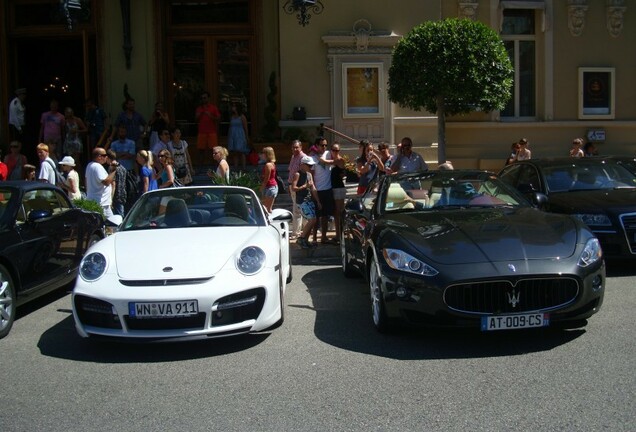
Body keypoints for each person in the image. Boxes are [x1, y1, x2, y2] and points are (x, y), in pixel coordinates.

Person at [291, 156, 322, 249]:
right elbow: (293, 188)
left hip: (309, 200)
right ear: (303, 165)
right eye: (309, 165)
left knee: (313, 220)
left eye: (311, 165)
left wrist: (318, 201)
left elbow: (313, 188)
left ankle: (305, 240)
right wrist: (305, 186)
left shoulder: (309, 175)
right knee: (312, 219)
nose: (310, 167)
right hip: (302, 201)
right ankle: (301, 238)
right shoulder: (298, 174)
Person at [311, 137, 335, 244]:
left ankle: (324, 237)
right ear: (316, 145)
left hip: (328, 189)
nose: (324, 147)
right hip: (318, 190)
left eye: (325, 145)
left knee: (325, 216)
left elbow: (337, 160)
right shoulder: (312, 158)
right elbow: (311, 175)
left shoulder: (329, 154)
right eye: (322, 145)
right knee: (316, 217)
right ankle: (315, 237)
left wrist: (325, 160)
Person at [85, 147, 116, 220]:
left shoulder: (90, 165)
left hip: (94, 201)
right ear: (99, 157)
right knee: (112, 225)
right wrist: (113, 170)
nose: (106, 157)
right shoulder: (97, 167)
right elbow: (106, 182)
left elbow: (86, 180)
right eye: (105, 155)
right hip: (101, 203)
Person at [287, 140, 307, 238]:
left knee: (297, 210)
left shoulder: (303, 158)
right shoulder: (293, 157)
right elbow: (291, 171)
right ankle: (306, 229)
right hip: (292, 186)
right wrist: (289, 184)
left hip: (299, 187)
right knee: (299, 209)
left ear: (301, 147)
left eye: (297, 147)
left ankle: (296, 232)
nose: (295, 149)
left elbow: (305, 173)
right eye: (293, 147)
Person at [195, 91, 221, 164]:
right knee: (200, 150)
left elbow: (219, 119)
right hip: (202, 132)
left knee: (214, 151)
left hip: (212, 132)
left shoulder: (213, 108)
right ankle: (199, 168)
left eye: (205, 98)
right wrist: (200, 114)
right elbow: (195, 119)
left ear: (208, 98)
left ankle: (216, 169)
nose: (203, 99)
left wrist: (211, 116)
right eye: (202, 98)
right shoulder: (199, 108)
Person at [330, 142, 347, 243]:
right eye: (333, 150)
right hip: (333, 187)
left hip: (339, 189)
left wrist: (322, 159)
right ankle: (338, 234)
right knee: (336, 212)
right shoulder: (332, 160)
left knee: (339, 212)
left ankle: (339, 235)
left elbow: (331, 162)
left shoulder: (339, 160)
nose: (335, 152)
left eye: (337, 150)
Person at [227, 103, 250, 170]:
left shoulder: (242, 117)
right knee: (235, 152)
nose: (232, 108)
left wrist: (247, 137)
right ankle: (235, 167)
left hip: (240, 135)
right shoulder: (232, 117)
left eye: (234, 106)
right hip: (233, 136)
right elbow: (230, 127)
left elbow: (245, 127)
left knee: (242, 151)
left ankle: (244, 168)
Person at [106, 150, 128, 217]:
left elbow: (113, 184)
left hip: (116, 195)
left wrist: (110, 199)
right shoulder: (122, 167)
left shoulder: (112, 168)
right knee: (121, 214)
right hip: (123, 193)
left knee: (117, 217)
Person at [259, 146, 278, 213]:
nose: (262, 155)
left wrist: (261, 188)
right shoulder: (272, 164)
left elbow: (267, 178)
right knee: (267, 209)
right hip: (272, 187)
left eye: (263, 153)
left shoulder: (268, 165)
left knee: (265, 209)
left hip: (270, 187)